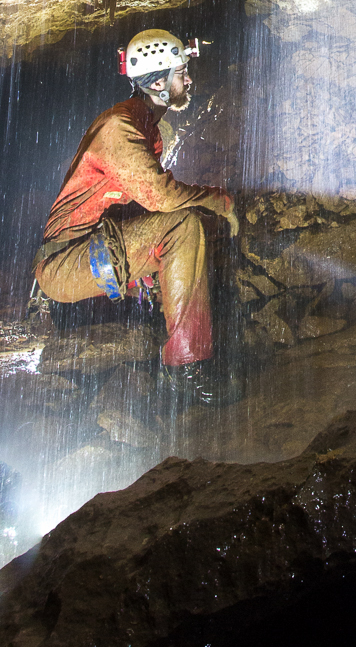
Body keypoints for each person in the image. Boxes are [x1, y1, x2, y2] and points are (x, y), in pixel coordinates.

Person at [34, 29, 238, 392]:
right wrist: (218, 201)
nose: (188, 79)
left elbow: (134, 203)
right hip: (66, 263)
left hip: (94, 248)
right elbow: (160, 198)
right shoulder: (120, 128)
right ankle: (186, 369)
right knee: (183, 226)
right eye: (181, 73)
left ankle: (169, 341)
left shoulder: (142, 126)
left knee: (183, 226)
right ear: (159, 82)